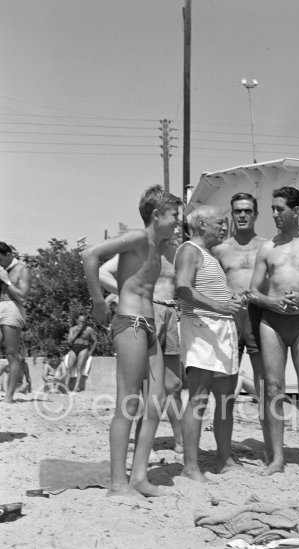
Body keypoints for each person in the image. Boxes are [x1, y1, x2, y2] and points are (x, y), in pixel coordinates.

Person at [82, 185, 181, 500]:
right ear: (156, 215)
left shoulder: (158, 247)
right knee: (129, 403)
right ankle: (117, 484)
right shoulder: (139, 238)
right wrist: (99, 302)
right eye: (174, 216)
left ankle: (139, 476)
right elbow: (90, 254)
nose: (178, 222)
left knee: (156, 401)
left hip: (149, 325)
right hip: (131, 323)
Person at [249, 187, 299, 477]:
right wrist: (270, 301)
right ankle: (277, 459)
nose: (274, 214)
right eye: (272, 208)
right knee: (273, 390)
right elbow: (252, 290)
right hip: (271, 321)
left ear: (296, 211)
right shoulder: (268, 248)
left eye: (280, 209)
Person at [175, 205, 242, 482]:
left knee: (225, 398)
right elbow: (183, 288)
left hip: (221, 329)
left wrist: (231, 299)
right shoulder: (189, 250)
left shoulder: (210, 255)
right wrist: (220, 305)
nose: (225, 227)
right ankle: (191, 466)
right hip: (202, 327)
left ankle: (224, 458)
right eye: (220, 223)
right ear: (201, 224)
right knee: (199, 398)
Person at [99, 247, 185, 453]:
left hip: (172, 314)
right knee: (146, 388)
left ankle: (181, 441)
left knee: (174, 385)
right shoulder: (140, 250)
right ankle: (141, 444)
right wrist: (131, 293)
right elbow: (102, 273)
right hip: (147, 312)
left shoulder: (177, 252)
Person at [212, 193, 268, 438]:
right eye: (237, 211)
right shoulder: (220, 250)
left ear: (256, 214)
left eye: (247, 210)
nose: (242, 215)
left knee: (266, 387)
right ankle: (224, 452)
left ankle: (271, 452)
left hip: (259, 317)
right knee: (225, 389)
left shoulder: (268, 247)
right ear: (231, 215)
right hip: (230, 318)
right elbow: (210, 284)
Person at [0, 242, 31, 403]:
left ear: (9, 255)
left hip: (13, 308)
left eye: (0, 259)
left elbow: (22, 296)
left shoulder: (22, 270)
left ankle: (10, 396)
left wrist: (7, 281)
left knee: (12, 354)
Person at [66, 313, 97, 392]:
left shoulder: (89, 329)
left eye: (83, 322)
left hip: (84, 348)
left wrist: (91, 351)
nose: (82, 323)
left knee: (80, 368)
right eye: (80, 321)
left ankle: (76, 387)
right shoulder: (72, 329)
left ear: (86, 322)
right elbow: (69, 341)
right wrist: (77, 332)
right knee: (69, 367)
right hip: (74, 348)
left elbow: (95, 341)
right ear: (77, 321)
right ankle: (65, 386)